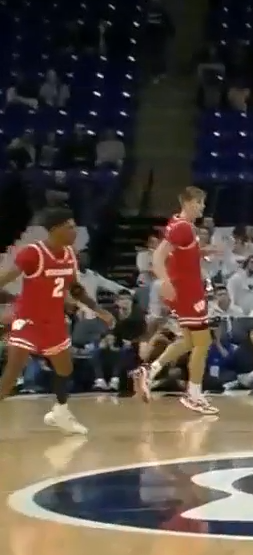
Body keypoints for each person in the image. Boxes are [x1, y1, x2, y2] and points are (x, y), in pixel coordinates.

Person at [0, 209, 115, 434]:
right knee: (12, 374)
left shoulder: (70, 255)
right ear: (55, 230)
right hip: (27, 320)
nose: (75, 231)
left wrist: (99, 310)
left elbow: (75, 288)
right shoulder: (33, 253)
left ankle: (60, 412)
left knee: (65, 368)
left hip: (53, 322)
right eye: (70, 227)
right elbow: (4, 279)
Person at [131, 186, 220, 414]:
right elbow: (158, 257)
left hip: (185, 291)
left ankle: (150, 371)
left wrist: (204, 251)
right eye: (200, 203)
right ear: (188, 203)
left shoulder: (178, 223)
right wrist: (166, 282)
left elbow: (181, 255)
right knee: (204, 342)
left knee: (190, 341)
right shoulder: (183, 228)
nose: (202, 207)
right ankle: (194, 395)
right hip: (187, 293)